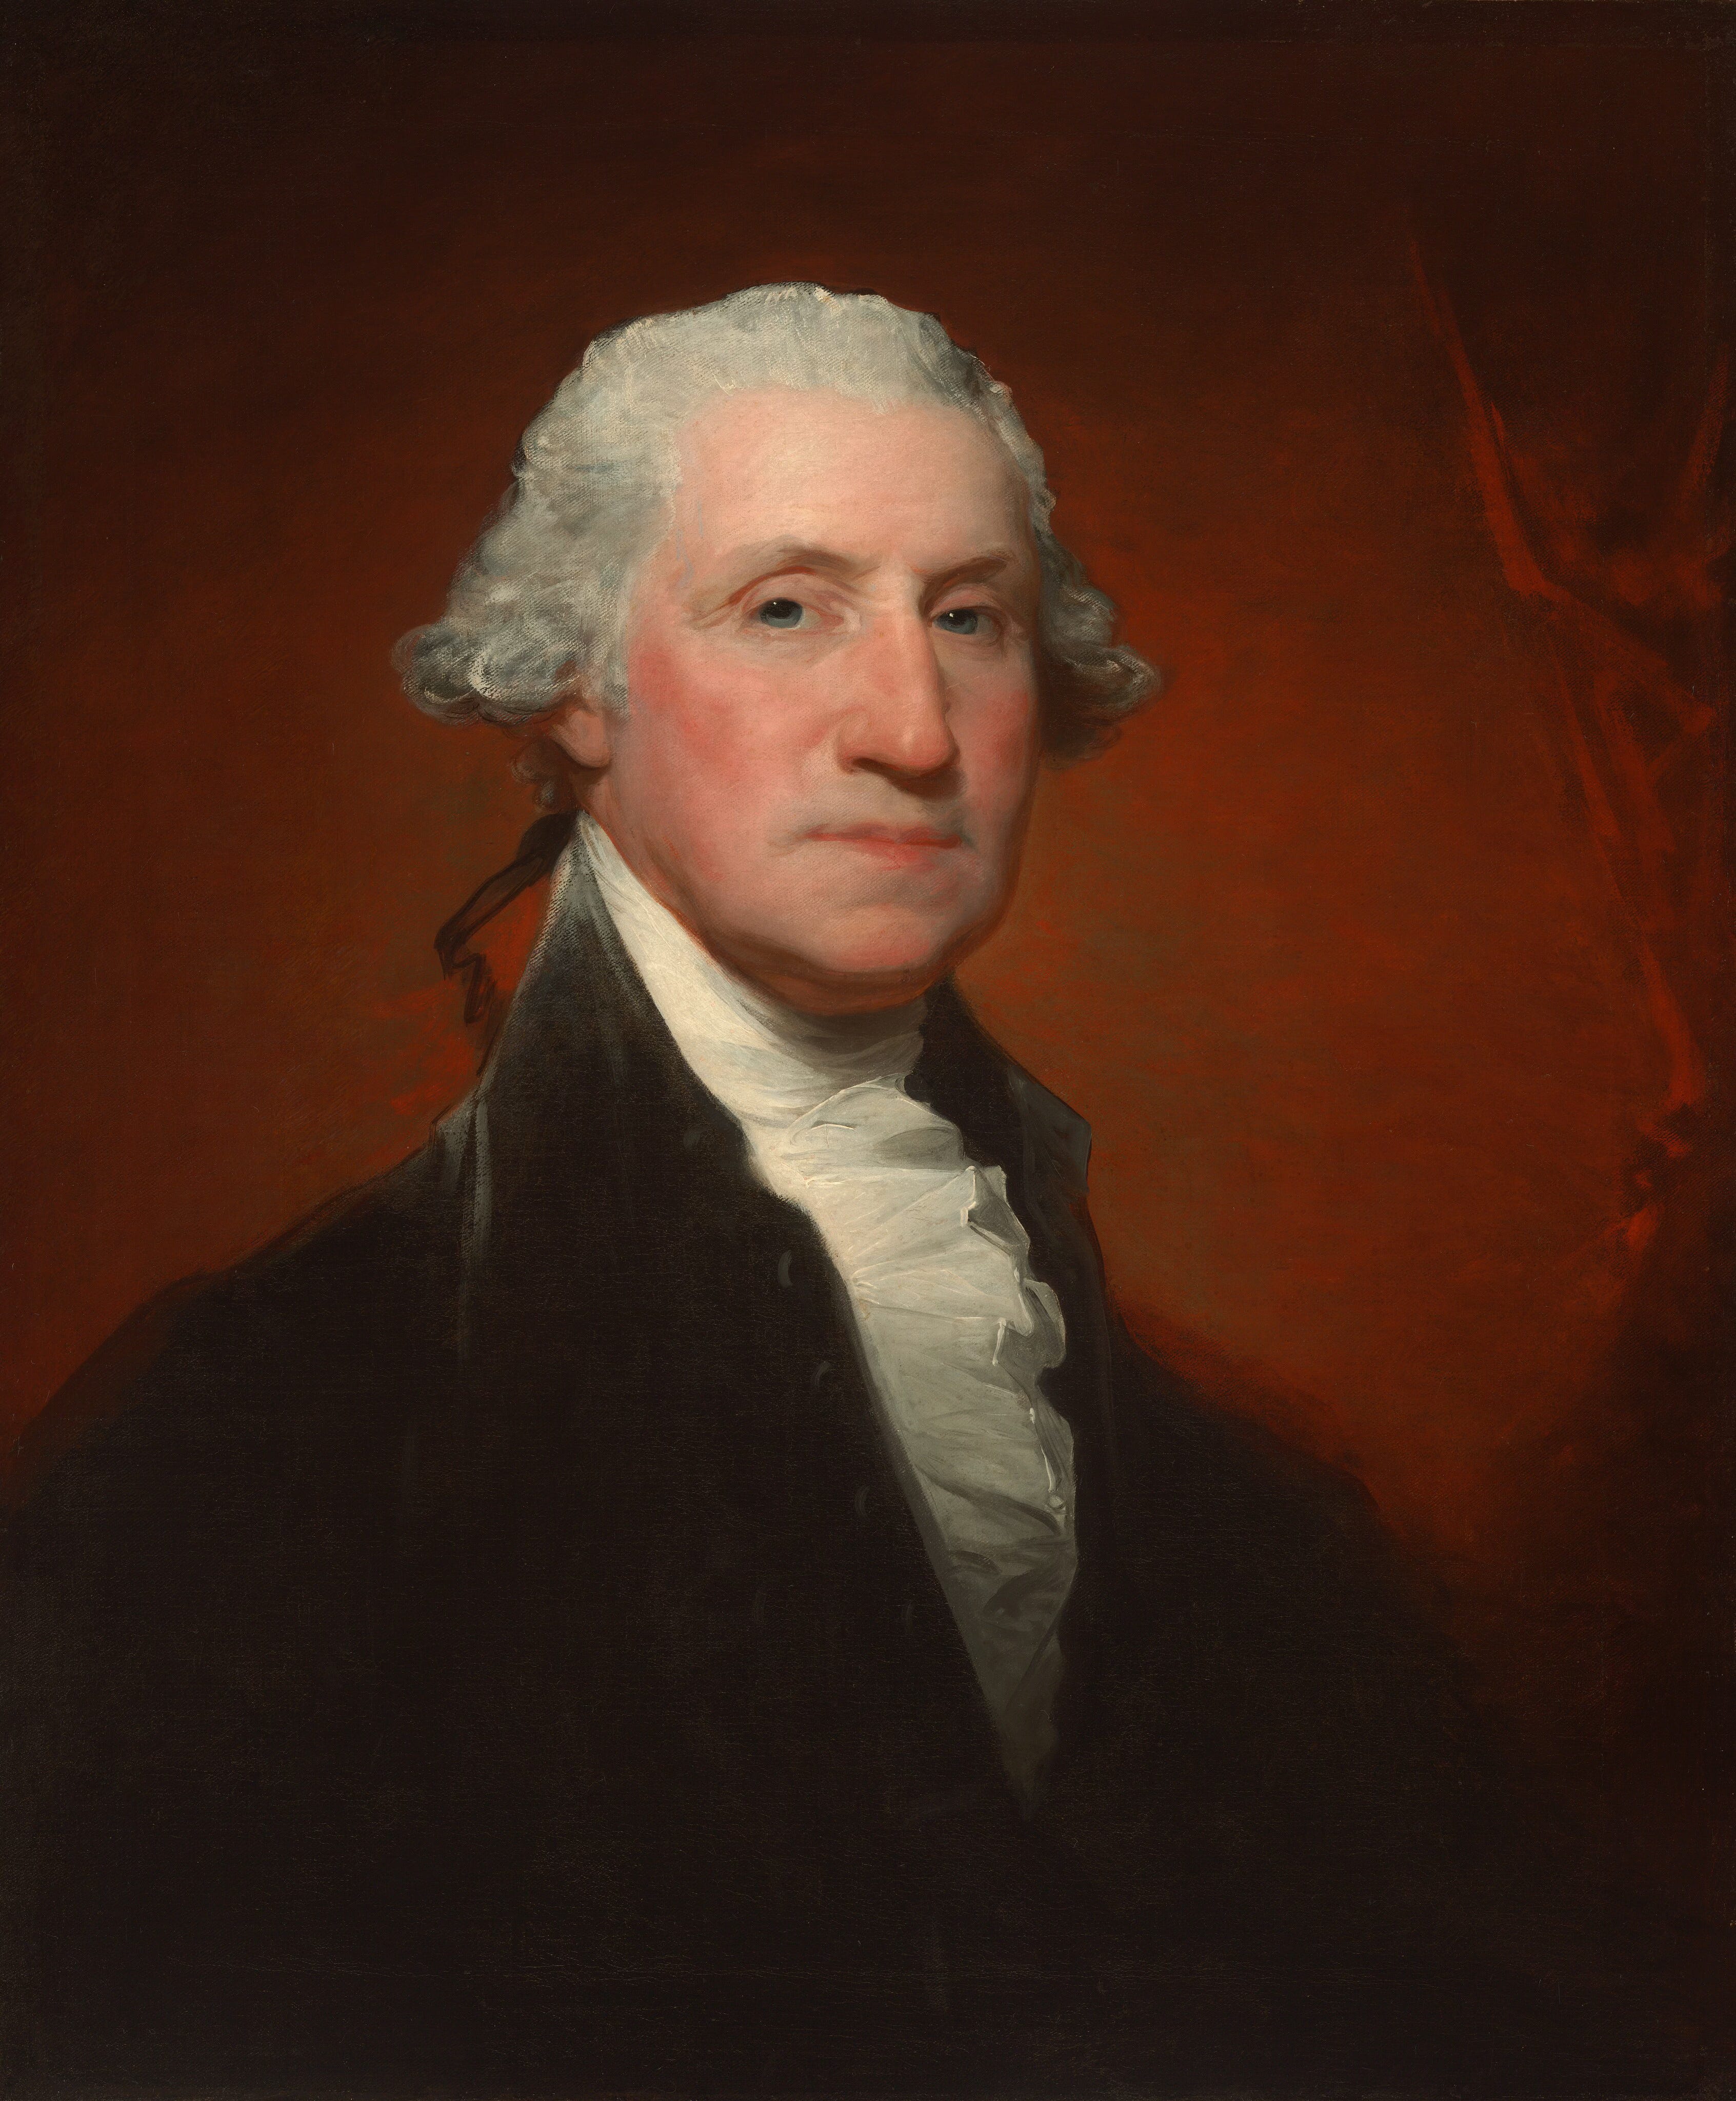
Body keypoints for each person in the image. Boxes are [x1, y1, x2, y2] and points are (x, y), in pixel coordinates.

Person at [0, 286, 1669, 2097]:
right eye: (786, 608)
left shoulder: (1260, 1524)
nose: (914, 730)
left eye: (969, 617)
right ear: (576, 685)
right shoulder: (251, 1436)